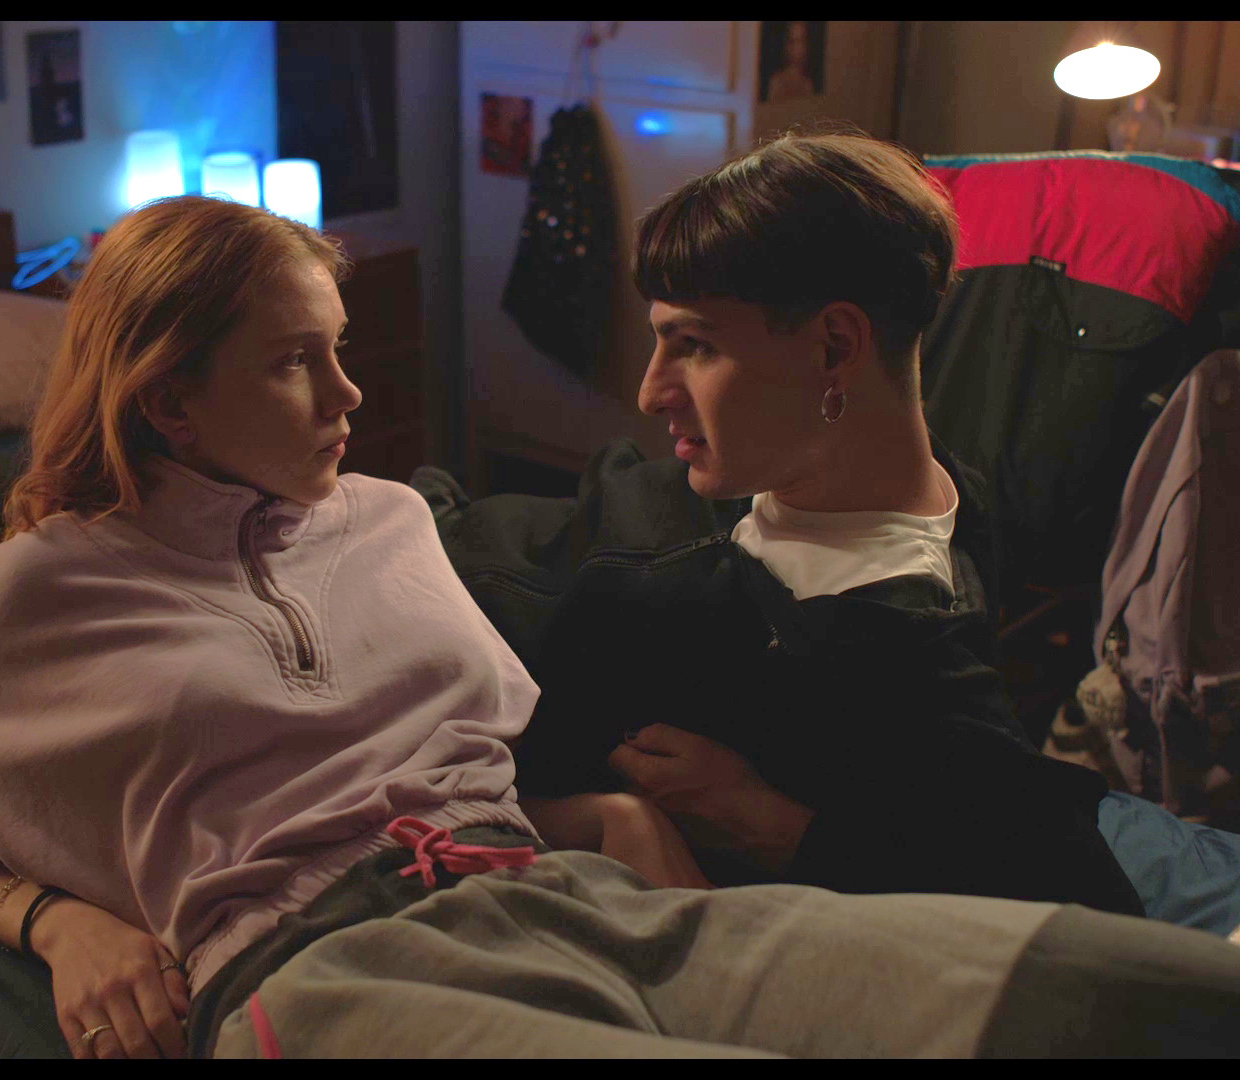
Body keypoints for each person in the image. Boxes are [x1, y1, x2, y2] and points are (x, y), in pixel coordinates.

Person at [0, 193, 1240, 1059]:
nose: (355, 394)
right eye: (302, 361)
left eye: (342, 350)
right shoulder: (33, 578)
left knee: (1217, 1008)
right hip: (321, 968)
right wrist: (59, 921)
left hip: (531, 878)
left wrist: (617, 821)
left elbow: (438, 745)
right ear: (170, 393)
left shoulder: (390, 519)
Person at [422, 128, 1145, 914]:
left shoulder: (891, 661)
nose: (651, 392)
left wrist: (778, 829)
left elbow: (1079, 898)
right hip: (427, 527)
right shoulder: (913, 485)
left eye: (695, 345)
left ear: (834, 347)